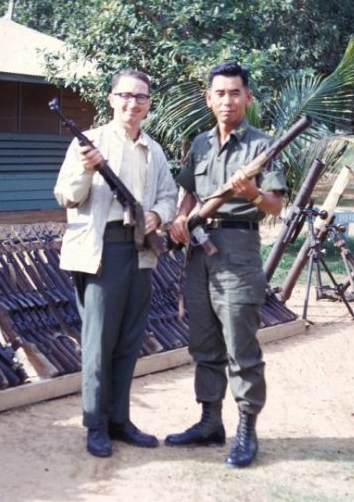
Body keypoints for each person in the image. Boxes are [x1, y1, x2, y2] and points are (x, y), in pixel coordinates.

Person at [164, 61, 287, 468]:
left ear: (247, 98)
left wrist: (251, 192)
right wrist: (181, 218)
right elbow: (188, 192)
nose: (227, 100)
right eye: (220, 93)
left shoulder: (263, 146)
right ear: (209, 98)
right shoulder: (199, 143)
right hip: (199, 251)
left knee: (240, 344)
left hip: (237, 248)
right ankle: (209, 422)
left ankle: (246, 430)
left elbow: (274, 206)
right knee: (203, 342)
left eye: (235, 92)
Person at [54, 69, 177, 458]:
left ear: (149, 104)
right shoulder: (90, 142)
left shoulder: (153, 150)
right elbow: (66, 196)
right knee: (98, 343)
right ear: (111, 99)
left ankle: (120, 420)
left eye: (140, 97)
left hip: (141, 249)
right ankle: (95, 424)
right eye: (125, 95)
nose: (132, 103)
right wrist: (87, 168)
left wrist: (156, 216)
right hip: (102, 251)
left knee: (129, 340)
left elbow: (168, 195)